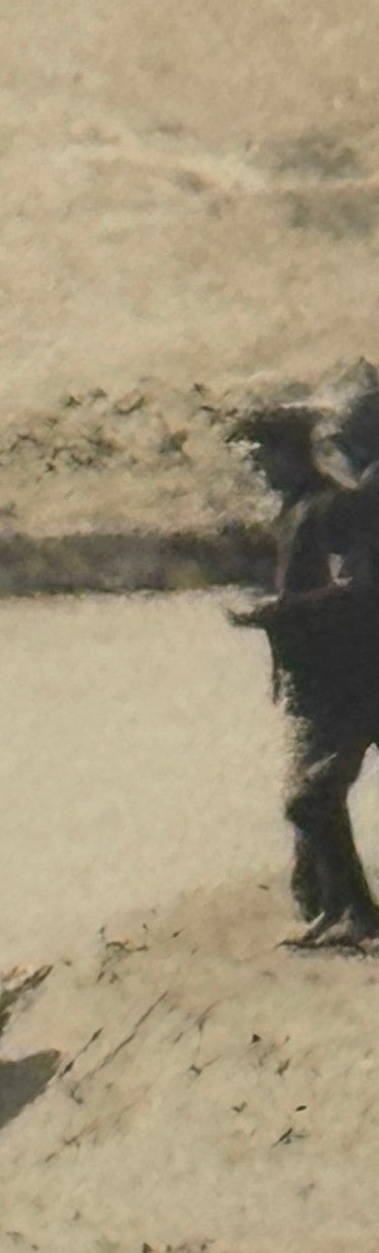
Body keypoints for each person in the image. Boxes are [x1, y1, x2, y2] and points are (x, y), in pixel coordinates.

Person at [229, 403, 379, 947]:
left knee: (309, 797)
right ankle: (336, 908)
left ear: (291, 453)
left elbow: (356, 590)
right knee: (314, 794)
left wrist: (277, 612)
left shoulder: (331, 508)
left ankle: (353, 914)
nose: (257, 470)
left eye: (261, 457)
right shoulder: (297, 508)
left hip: (345, 675)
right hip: (318, 672)